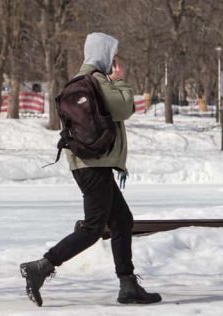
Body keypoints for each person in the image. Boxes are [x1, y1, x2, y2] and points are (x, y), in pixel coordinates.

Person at [20, 32, 161, 307]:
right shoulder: (97, 80)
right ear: (103, 54)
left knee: (122, 221)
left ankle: (128, 284)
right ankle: (41, 267)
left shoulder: (79, 80)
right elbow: (125, 107)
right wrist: (120, 81)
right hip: (94, 165)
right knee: (93, 228)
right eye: (113, 55)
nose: (116, 60)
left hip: (89, 163)